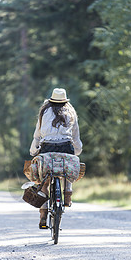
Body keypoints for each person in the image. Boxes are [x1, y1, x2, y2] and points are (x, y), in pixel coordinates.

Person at [29, 88, 83, 228]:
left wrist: (33, 150)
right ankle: (67, 194)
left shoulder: (44, 112)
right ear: (65, 101)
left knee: (44, 181)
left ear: (52, 100)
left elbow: (37, 134)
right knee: (67, 168)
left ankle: (43, 216)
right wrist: (77, 151)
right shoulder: (71, 112)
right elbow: (75, 136)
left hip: (47, 148)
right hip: (66, 147)